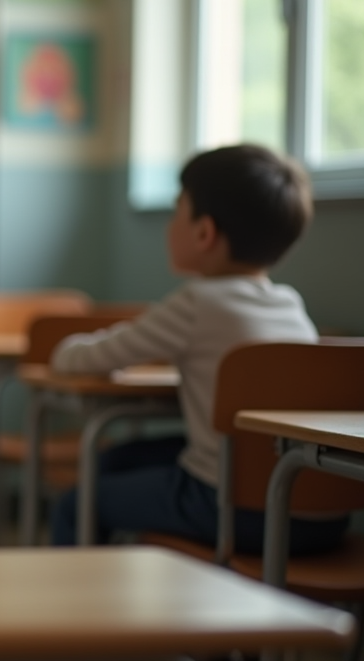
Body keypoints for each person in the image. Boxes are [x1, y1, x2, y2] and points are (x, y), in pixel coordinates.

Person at [48, 143, 345, 554]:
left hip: (235, 507)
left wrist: (65, 346)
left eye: (177, 210)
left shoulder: (197, 304)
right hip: (319, 509)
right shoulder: (290, 305)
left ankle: (79, 614)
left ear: (204, 233)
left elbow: (82, 359)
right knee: (118, 459)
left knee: (77, 503)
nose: (171, 224)